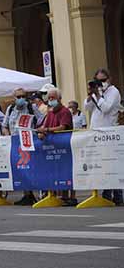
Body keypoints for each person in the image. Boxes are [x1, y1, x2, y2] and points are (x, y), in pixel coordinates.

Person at [84, 68, 123, 205]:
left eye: (103, 80)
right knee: (103, 165)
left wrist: (98, 96)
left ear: (109, 79)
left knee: (112, 164)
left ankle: (117, 195)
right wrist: (91, 95)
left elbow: (106, 109)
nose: (101, 83)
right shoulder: (97, 93)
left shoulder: (114, 92)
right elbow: (87, 108)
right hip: (96, 132)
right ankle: (106, 193)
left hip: (109, 133)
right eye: (98, 81)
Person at [2, 88, 41, 205]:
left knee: (31, 167)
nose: (21, 99)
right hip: (15, 143)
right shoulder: (10, 109)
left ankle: (34, 193)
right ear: (14, 98)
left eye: (23, 96)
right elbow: (4, 126)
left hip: (29, 142)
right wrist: (7, 136)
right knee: (21, 168)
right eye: (18, 97)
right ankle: (26, 194)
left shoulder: (31, 108)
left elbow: (41, 120)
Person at [37, 88, 75, 205]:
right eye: (49, 98)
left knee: (67, 171)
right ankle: (56, 195)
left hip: (65, 146)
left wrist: (47, 129)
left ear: (59, 98)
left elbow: (63, 127)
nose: (51, 100)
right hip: (52, 148)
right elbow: (45, 126)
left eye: (53, 98)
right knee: (55, 171)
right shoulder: (50, 113)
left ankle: (70, 197)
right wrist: (41, 133)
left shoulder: (65, 111)